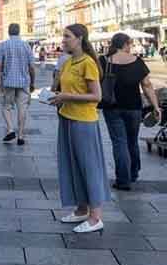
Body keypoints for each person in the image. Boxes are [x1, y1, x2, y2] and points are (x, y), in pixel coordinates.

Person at [50, 23, 110, 234]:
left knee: (89, 167)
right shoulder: (67, 63)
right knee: (73, 165)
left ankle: (96, 217)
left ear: (80, 39)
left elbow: (96, 96)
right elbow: (64, 89)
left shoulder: (88, 63)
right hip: (66, 118)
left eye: (67, 37)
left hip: (84, 122)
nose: (63, 40)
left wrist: (67, 96)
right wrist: (57, 98)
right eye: (63, 36)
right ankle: (82, 208)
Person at [99, 33, 161, 190]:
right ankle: (133, 173)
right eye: (130, 44)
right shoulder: (137, 61)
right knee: (131, 141)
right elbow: (146, 85)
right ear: (126, 44)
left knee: (119, 142)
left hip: (111, 107)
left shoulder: (104, 61)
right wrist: (155, 106)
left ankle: (123, 180)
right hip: (133, 108)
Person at [0, 23, 36, 145]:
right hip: (24, 82)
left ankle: (10, 129)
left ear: (8, 32)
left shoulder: (3, 45)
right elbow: (32, 67)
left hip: (7, 82)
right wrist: (32, 82)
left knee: (6, 106)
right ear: (19, 32)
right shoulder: (26, 46)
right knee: (22, 109)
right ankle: (21, 135)